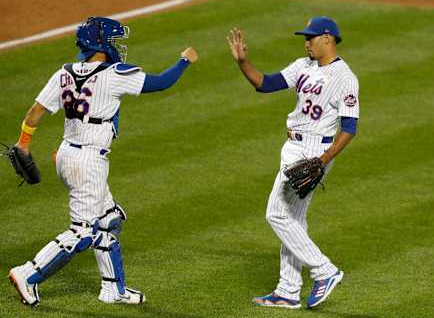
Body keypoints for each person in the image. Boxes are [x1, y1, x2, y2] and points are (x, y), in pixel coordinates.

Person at [8, 16, 198, 306]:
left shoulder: (64, 73)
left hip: (67, 154)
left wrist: (23, 143)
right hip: (87, 162)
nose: (116, 45)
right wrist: (184, 61)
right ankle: (28, 274)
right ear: (99, 43)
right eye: (112, 40)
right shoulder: (114, 74)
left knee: (108, 220)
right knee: (82, 232)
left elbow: (36, 111)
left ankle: (113, 290)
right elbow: (160, 82)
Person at [227, 16, 359, 309]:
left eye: (311, 37)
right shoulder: (303, 66)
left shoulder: (345, 78)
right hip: (293, 147)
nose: (306, 42)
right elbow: (266, 84)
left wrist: (322, 161)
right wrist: (243, 63)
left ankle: (324, 270)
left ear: (328, 38)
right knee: (293, 221)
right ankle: (288, 290)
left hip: (314, 151)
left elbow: (350, 127)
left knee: (276, 214)